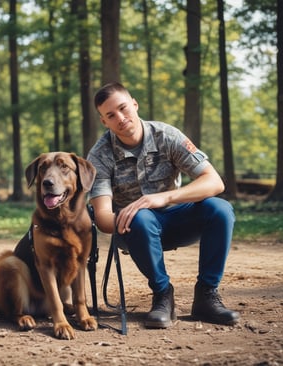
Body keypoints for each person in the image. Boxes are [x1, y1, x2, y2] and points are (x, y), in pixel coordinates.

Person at [87, 82, 240, 329]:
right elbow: (103, 218)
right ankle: (162, 295)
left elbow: (214, 181)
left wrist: (164, 197)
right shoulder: (100, 155)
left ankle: (206, 296)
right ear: (104, 122)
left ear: (135, 104)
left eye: (124, 108)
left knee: (220, 209)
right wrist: (134, 213)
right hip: (134, 230)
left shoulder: (167, 136)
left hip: (176, 218)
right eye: (111, 115)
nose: (121, 118)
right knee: (142, 218)